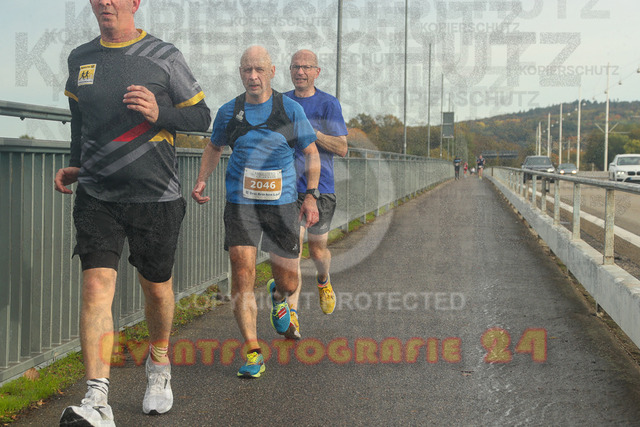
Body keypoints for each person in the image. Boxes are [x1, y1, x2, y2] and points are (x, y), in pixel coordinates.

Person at [54, 0, 211, 424]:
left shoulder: (164, 56)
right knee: (95, 287)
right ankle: (97, 399)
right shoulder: (80, 58)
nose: (105, 2)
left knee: (156, 289)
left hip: (155, 195)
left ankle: (159, 364)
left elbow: (202, 116)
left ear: (135, 2)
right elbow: (79, 121)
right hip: (97, 194)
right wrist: (76, 165)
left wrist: (161, 113)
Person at [191, 46, 320, 378]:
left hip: (282, 204)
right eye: (247, 70)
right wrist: (202, 179)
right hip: (241, 202)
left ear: (272, 72)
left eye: (259, 70)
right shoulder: (229, 112)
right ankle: (252, 351)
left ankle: (279, 295)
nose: (253, 76)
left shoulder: (289, 109)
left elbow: (311, 152)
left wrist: (310, 196)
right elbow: (214, 146)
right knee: (242, 269)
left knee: (289, 281)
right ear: (240, 73)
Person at [281, 49, 348, 339]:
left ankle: (323, 279)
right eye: (296, 66)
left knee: (317, 251)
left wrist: (312, 133)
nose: (300, 71)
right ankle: (292, 316)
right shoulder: (280, 102)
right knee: (293, 252)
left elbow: (342, 148)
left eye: (307, 67)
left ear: (317, 72)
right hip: (287, 188)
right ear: (289, 70)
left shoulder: (328, 104)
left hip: (321, 188)